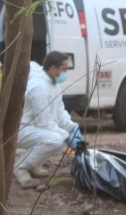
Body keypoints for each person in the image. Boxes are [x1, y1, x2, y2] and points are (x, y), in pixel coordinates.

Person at [14, 51, 83, 188]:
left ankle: (32, 166)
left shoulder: (53, 84)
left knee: (57, 137)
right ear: (53, 68)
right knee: (55, 140)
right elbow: (43, 121)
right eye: (64, 69)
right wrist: (66, 136)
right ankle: (20, 168)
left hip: (34, 128)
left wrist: (72, 127)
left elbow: (60, 111)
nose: (66, 72)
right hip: (21, 130)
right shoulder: (38, 87)